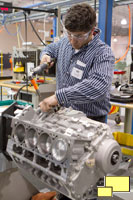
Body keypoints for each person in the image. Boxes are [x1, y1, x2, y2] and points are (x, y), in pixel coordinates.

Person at [39, 3, 115, 123]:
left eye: (79, 36)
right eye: (69, 33)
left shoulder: (103, 53)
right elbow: (50, 48)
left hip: (90, 120)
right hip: (64, 114)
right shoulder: (64, 42)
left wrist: (58, 97)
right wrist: (45, 56)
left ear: (92, 30)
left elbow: (97, 86)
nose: (72, 40)